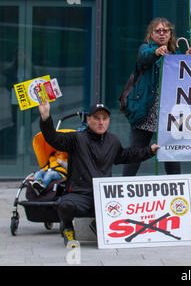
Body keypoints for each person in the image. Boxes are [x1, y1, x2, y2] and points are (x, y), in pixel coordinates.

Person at [38, 101, 160, 246]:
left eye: (104, 119)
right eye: (97, 118)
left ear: (108, 120)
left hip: (104, 196)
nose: (101, 122)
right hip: (79, 194)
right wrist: (45, 117)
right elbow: (54, 138)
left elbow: (126, 155)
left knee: (131, 203)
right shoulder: (76, 138)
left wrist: (150, 150)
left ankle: (99, 224)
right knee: (64, 205)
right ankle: (68, 228)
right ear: (88, 119)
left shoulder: (113, 141)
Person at [122, 17, 191, 177]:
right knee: (137, 151)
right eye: (158, 31)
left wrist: (189, 59)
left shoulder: (175, 53)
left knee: (171, 151)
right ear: (151, 34)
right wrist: (156, 52)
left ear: (170, 34)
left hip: (169, 111)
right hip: (147, 110)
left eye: (165, 31)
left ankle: (176, 186)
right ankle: (124, 184)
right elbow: (144, 57)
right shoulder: (145, 48)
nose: (162, 34)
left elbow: (185, 78)